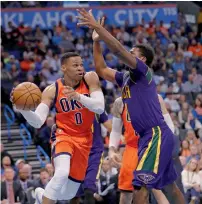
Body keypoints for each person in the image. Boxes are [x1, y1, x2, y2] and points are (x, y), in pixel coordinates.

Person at [76, 9, 185, 204]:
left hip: (156, 134)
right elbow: (100, 69)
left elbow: (118, 49)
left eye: (133, 52)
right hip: (146, 137)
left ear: (141, 60)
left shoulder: (143, 72)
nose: (129, 53)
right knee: (169, 186)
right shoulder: (125, 78)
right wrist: (96, 41)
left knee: (140, 186)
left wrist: (98, 27)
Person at [10, 52, 105, 204]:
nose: (80, 68)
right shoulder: (52, 90)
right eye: (75, 65)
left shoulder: (90, 78)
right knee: (61, 173)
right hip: (63, 135)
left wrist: (78, 96)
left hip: (85, 140)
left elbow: (100, 107)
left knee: (66, 195)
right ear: (63, 67)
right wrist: (22, 108)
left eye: (81, 64)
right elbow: (38, 121)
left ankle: (40, 195)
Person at [109, 96, 175, 204]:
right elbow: (115, 131)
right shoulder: (120, 102)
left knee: (155, 191)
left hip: (152, 146)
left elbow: (170, 126)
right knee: (126, 193)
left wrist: (165, 147)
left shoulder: (155, 98)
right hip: (132, 148)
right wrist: (112, 150)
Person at [70, 111, 112, 204]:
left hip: (94, 152)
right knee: (74, 193)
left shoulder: (97, 107)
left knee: (89, 187)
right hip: (78, 153)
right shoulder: (70, 108)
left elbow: (110, 127)